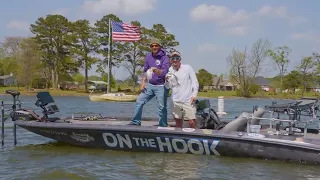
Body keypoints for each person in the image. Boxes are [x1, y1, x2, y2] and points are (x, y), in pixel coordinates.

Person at [129, 38, 170, 127]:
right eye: (152, 46)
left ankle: (162, 125)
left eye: (156, 45)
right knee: (139, 101)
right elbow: (145, 71)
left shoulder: (165, 58)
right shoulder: (148, 56)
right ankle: (136, 121)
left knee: (162, 107)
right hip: (150, 85)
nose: (154, 47)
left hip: (161, 86)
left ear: (159, 46)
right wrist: (143, 83)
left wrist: (156, 71)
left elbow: (164, 72)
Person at [165, 51, 199, 128]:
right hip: (175, 101)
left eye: (177, 58)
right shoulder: (170, 70)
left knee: (191, 121)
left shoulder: (188, 68)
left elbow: (195, 82)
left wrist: (194, 95)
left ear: (180, 59)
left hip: (188, 100)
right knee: (178, 120)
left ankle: (195, 136)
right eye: (173, 58)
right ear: (171, 60)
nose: (175, 60)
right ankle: (179, 136)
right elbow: (168, 86)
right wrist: (166, 80)